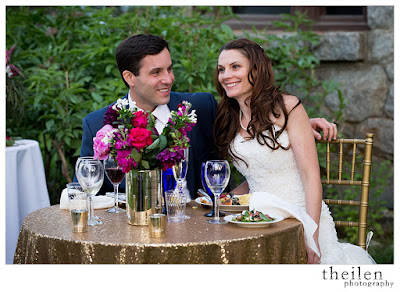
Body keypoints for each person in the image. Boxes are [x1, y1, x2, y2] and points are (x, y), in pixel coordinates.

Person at [78, 34, 337, 199]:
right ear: (129, 78)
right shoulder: (98, 124)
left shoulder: (200, 106)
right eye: (156, 72)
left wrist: (296, 123)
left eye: (170, 69)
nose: (168, 79)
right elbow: (93, 192)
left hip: (203, 226)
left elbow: (248, 129)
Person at [213, 38, 375, 264]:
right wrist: (222, 198)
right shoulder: (229, 118)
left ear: (257, 70)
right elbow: (259, 176)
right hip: (257, 220)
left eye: (235, 67)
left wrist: (311, 236)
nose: (225, 75)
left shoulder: (288, 107)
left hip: (299, 218)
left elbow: (310, 177)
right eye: (221, 69)